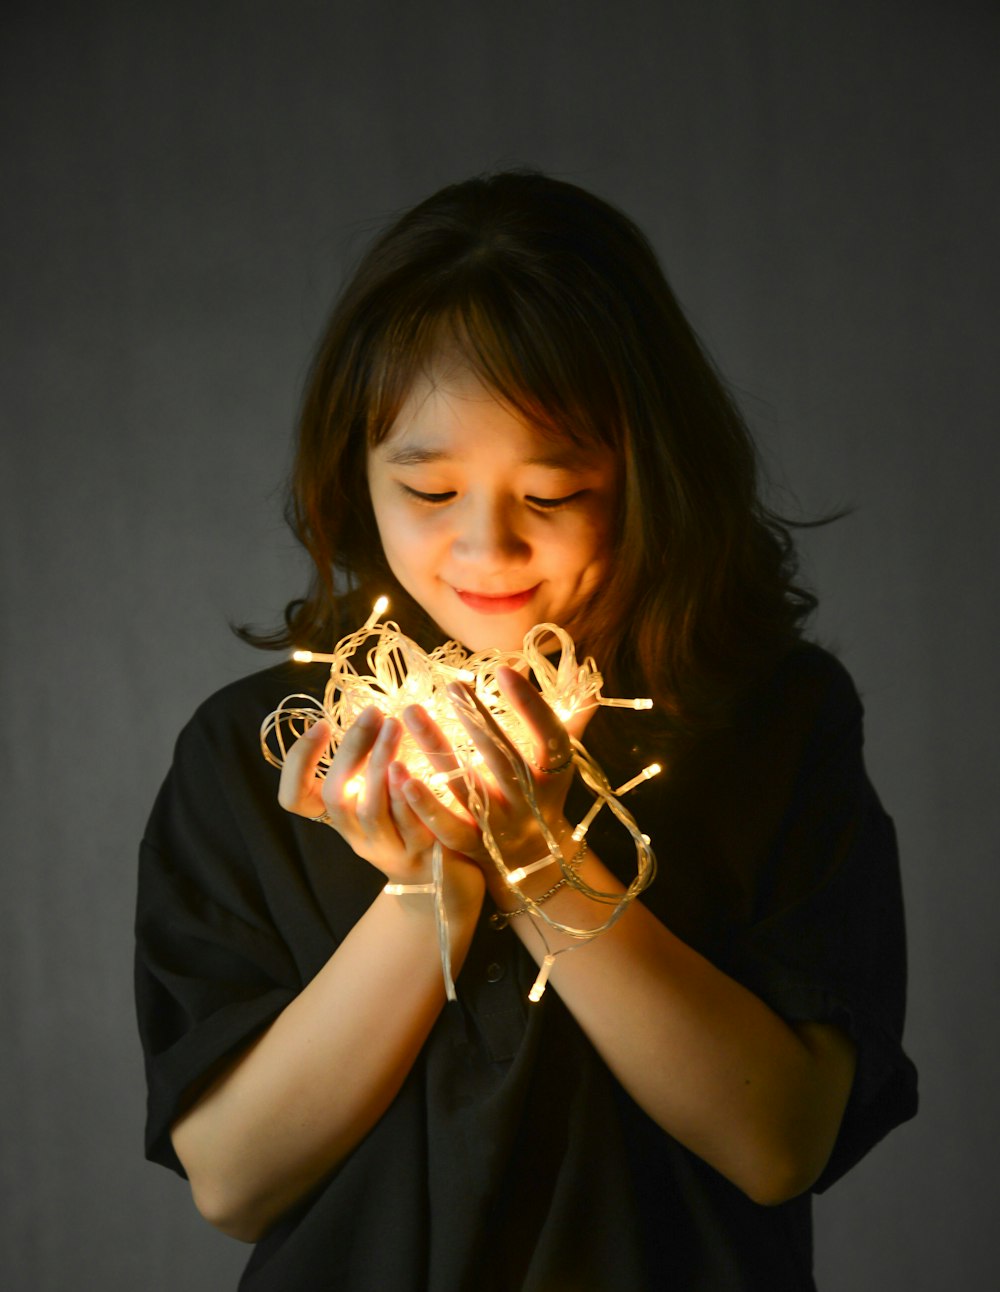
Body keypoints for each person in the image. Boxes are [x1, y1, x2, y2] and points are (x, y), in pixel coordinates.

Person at [135, 171, 918, 1291]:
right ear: (356, 477)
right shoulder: (257, 750)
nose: (488, 552)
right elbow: (234, 1179)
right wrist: (429, 890)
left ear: (647, 474)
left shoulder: (768, 723)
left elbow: (777, 1143)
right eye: (430, 490)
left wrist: (540, 853)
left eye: (551, 495)